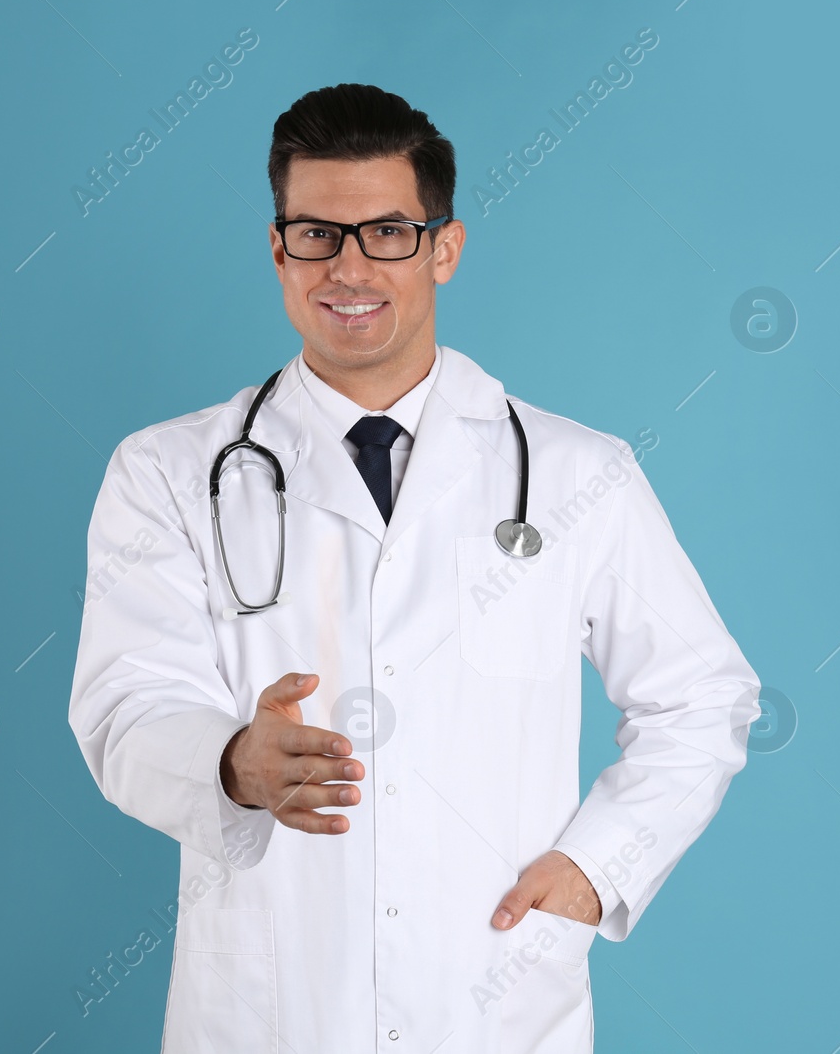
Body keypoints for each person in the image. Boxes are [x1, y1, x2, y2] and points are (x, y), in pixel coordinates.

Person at [68, 82, 760, 1054]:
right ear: (277, 248)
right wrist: (229, 761)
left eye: (387, 231)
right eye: (315, 233)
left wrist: (595, 866)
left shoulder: (577, 473)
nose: (348, 266)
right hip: (269, 1012)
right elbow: (123, 704)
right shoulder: (171, 470)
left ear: (444, 246)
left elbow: (702, 697)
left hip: (494, 997)